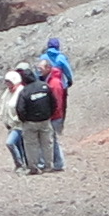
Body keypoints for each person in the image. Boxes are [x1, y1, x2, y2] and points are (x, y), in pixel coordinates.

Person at [7, 66, 57, 174]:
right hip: (45, 121)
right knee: (47, 144)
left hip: (30, 122)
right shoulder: (44, 86)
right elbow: (54, 103)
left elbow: (20, 108)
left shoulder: (25, 91)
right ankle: (49, 166)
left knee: (31, 145)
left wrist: (24, 120)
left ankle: (33, 167)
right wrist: (49, 115)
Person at [35, 39, 71, 172]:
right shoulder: (61, 58)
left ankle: (53, 162)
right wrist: (69, 82)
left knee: (49, 137)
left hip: (47, 87)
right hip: (60, 86)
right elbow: (68, 71)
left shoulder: (43, 57)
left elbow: (38, 74)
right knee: (61, 107)